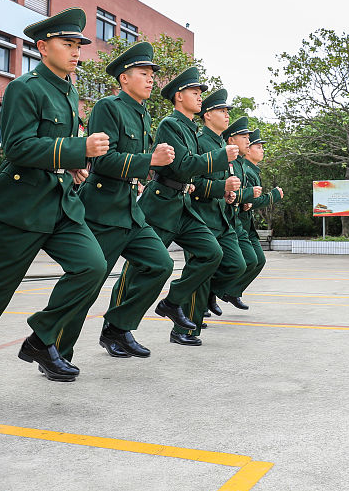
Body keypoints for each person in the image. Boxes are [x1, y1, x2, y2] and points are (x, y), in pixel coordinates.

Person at [0, 8, 111, 406]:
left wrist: (74, 164)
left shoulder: (68, 91)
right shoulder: (25, 88)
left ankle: (40, 337)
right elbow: (17, 147)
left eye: (78, 45)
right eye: (67, 44)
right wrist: (78, 148)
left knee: (92, 267)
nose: (76, 52)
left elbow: (54, 148)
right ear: (42, 47)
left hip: (61, 204)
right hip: (21, 207)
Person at [53, 41, 186, 363]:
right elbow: (103, 160)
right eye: (143, 73)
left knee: (160, 264)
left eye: (152, 74)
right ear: (124, 78)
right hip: (102, 209)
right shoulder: (108, 107)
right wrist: (149, 160)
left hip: (130, 209)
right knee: (88, 283)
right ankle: (56, 350)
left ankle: (117, 328)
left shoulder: (142, 114)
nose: (151, 78)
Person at [120, 66, 234, 346]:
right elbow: (182, 165)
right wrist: (220, 157)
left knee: (211, 253)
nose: (199, 97)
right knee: (134, 273)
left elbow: (186, 172)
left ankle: (172, 302)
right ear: (179, 96)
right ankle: (116, 328)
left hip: (182, 205)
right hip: (160, 205)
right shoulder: (171, 124)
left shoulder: (190, 128)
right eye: (194, 92)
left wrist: (195, 183)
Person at [177, 89, 244, 344]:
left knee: (237, 265)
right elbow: (192, 182)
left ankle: (208, 296)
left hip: (220, 217)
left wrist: (227, 193)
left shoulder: (221, 145)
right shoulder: (199, 141)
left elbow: (221, 183)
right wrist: (220, 187)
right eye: (222, 111)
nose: (227, 116)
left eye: (227, 111)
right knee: (199, 276)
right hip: (201, 216)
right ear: (207, 115)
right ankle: (184, 330)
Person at [220, 128, 283, 306]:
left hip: (245, 224)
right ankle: (217, 291)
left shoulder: (249, 169)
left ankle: (231, 291)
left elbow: (248, 200)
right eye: (258, 146)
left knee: (257, 260)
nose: (262, 150)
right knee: (242, 261)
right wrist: (273, 196)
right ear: (248, 150)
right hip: (236, 222)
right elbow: (245, 199)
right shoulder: (244, 169)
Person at [214, 116, 258, 311]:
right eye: (244, 137)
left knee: (250, 260)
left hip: (233, 219)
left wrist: (244, 199)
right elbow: (220, 188)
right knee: (211, 262)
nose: (248, 141)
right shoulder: (226, 159)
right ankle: (208, 296)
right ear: (231, 139)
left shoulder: (240, 164)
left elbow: (233, 193)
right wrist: (250, 196)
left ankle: (221, 292)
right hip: (219, 217)